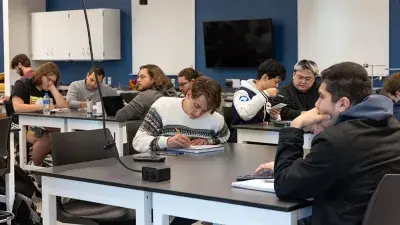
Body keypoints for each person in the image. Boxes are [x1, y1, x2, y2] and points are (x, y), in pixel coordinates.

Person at [255, 62, 400, 225]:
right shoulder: (393, 129)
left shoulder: (335, 141)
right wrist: (298, 166)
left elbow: (284, 186)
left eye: (322, 97)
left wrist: (296, 126)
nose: (316, 104)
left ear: (343, 104)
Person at [132, 76, 229, 152]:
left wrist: (209, 141)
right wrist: (167, 142)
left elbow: (225, 136)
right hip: (167, 171)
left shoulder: (216, 119)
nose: (198, 114)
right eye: (196, 105)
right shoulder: (163, 107)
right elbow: (138, 142)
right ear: (189, 95)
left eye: (205, 110)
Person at [12, 62, 68, 166]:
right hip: (20, 125)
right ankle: (35, 169)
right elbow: (17, 107)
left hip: (43, 125)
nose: (50, 83)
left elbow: (64, 106)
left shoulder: (48, 88)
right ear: (41, 75)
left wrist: (52, 88)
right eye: (49, 80)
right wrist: (44, 106)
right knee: (47, 140)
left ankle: (56, 169)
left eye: (53, 81)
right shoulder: (22, 84)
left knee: (64, 134)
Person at [229, 59, 286, 142]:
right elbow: (245, 113)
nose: (277, 85)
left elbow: (264, 121)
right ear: (265, 77)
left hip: (261, 138)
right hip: (242, 140)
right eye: (276, 82)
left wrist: (274, 116)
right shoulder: (242, 92)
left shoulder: (265, 95)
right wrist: (265, 94)